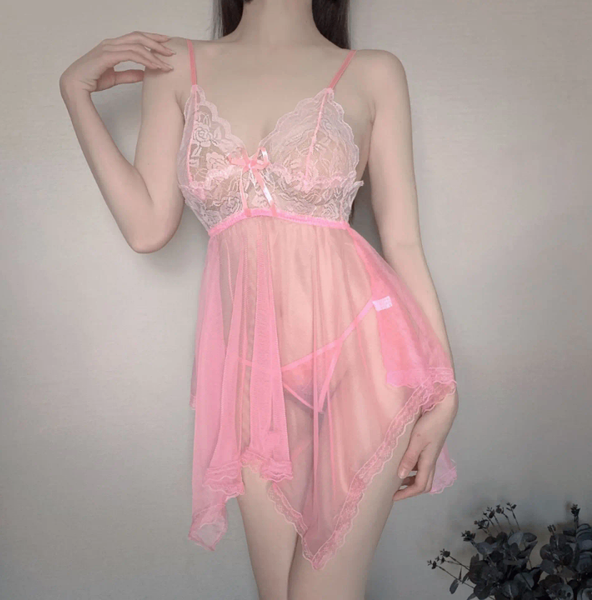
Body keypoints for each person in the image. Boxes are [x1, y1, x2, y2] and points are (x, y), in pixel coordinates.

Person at [59, 1, 459, 598]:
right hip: (251, 377)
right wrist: (75, 93)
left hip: (365, 360)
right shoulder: (177, 66)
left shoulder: (373, 71)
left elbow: (401, 242)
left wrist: (445, 391)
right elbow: (146, 228)